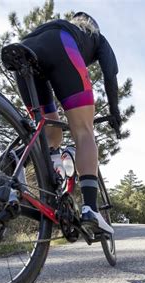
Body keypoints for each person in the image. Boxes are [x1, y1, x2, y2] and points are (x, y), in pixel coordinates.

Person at [14, 12, 120, 234]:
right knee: (84, 131)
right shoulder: (96, 36)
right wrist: (114, 112)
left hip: (24, 47)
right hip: (62, 45)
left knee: (51, 134)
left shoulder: (52, 24)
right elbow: (110, 74)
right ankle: (90, 208)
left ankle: (15, 161)